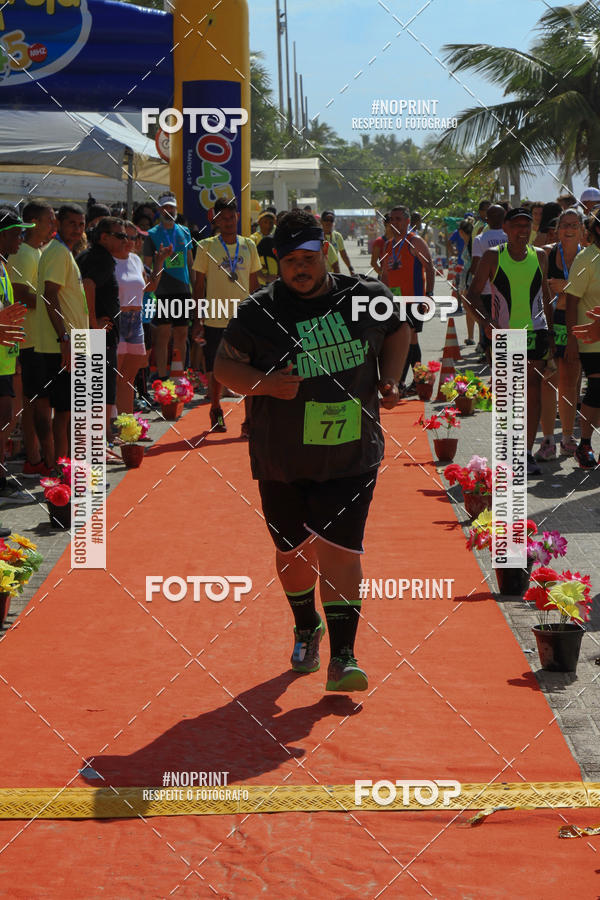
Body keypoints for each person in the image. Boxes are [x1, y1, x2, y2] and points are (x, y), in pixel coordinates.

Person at [213, 209, 410, 692]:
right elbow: (223, 367)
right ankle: (307, 626)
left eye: (308, 258)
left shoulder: (366, 297)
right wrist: (265, 383)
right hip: (282, 456)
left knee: (341, 549)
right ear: (277, 262)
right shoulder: (259, 311)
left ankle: (343, 656)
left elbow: (399, 330)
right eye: (289, 261)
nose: (300, 269)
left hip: (351, 454)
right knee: (292, 553)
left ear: (325, 251)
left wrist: (390, 378)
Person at [466, 207, 554, 477]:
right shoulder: (493, 256)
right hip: (506, 333)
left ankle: (525, 453)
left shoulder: (540, 255)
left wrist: (552, 335)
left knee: (532, 392)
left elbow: (545, 295)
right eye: (516, 225)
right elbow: (471, 295)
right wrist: (486, 323)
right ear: (505, 228)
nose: (522, 231)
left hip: (536, 332)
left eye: (526, 225)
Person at [192, 197, 261, 435]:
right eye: (224, 218)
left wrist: (257, 314)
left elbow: (255, 284)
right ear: (216, 220)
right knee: (216, 369)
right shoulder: (206, 246)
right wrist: (197, 319)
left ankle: (249, 420)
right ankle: (215, 409)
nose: (229, 222)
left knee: (249, 367)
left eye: (232, 217)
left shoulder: (249, 245)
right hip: (215, 317)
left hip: (244, 318)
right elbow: (198, 285)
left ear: (237, 217)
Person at [35, 203, 88, 466]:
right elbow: (50, 295)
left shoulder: (63, 252)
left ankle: (67, 469)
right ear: (58, 225)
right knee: (66, 412)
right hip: (63, 345)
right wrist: (65, 338)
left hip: (72, 342)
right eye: (71, 224)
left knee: (70, 411)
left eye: (81, 224)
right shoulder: (57, 252)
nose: (77, 229)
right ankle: (65, 471)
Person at [6, 200, 56, 477]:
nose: (53, 225)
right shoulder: (23, 253)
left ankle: (34, 457)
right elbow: (20, 295)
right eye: (50, 219)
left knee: (32, 402)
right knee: (35, 403)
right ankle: (37, 458)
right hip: (29, 341)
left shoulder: (37, 252)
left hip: (36, 339)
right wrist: (56, 303)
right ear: (35, 222)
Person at [534, 209, 582, 460]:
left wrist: (566, 288)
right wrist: (567, 293)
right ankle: (547, 440)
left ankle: (567, 437)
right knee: (549, 379)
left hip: (576, 324)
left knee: (570, 382)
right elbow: (542, 292)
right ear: (557, 229)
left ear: (582, 230)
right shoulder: (547, 254)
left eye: (574, 225)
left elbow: (588, 293)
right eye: (564, 225)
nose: (569, 229)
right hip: (550, 323)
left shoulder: (589, 257)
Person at [77, 216, 124, 450]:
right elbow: (87, 284)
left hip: (88, 333)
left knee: (92, 390)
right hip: (97, 335)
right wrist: (93, 322)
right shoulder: (101, 258)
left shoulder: (88, 255)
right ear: (104, 237)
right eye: (120, 236)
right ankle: (99, 442)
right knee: (100, 389)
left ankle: (100, 439)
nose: (125, 240)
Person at [112, 221, 168, 415]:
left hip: (136, 321)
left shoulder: (136, 260)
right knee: (113, 377)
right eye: (124, 236)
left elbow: (150, 287)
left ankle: (126, 424)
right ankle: (110, 424)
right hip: (117, 320)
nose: (129, 241)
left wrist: (159, 263)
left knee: (128, 378)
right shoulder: (107, 260)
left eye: (134, 237)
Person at [380, 205, 434, 396]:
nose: (394, 223)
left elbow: (429, 268)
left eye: (398, 219)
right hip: (395, 301)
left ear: (407, 221)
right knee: (404, 341)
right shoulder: (388, 245)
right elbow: (385, 274)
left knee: (410, 338)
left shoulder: (415, 241)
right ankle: (417, 381)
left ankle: (404, 382)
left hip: (414, 299)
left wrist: (429, 294)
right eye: (391, 220)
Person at [143, 193, 193, 382]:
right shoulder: (152, 234)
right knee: (163, 334)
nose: (169, 211)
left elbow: (190, 263)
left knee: (182, 333)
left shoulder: (185, 232)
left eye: (172, 207)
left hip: (183, 290)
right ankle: (162, 377)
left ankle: (179, 376)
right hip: (161, 291)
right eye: (165, 208)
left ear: (176, 209)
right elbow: (146, 266)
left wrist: (194, 290)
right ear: (159, 210)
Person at [0, 208, 31, 516]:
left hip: (6, 359)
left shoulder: (3, 265)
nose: (21, 238)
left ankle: (1, 482)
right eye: (16, 232)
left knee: (6, 420)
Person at [565, 207, 600, 468]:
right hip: (590, 337)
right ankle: (584, 444)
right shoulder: (585, 258)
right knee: (597, 390)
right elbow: (571, 301)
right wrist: (571, 341)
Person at [468, 204, 507, 360]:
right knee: (507, 328)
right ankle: (508, 364)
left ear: (487, 220)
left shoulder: (480, 239)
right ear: (504, 219)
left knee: (490, 329)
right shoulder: (511, 237)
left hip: (486, 291)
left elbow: (475, 266)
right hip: (508, 292)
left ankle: (492, 363)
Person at [320, 211, 355, 275]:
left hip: (334, 273)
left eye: (331, 220)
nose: (328, 222)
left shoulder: (337, 236)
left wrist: (350, 268)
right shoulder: (317, 236)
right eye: (326, 220)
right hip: (320, 273)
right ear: (321, 221)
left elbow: (343, 254)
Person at [250, 210, 278, 287]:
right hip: (260, 282)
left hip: (274, 280)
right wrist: (263, 277)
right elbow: (251, 261)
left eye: (271, 223)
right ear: (259, 222)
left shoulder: (275, 239)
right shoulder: (253, 239)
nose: (268, 225)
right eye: (265, 222)